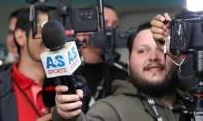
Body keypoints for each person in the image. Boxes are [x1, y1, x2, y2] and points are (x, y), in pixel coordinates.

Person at [54, 23, 187, 121]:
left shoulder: (194, 101)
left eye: (161, 49)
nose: (153, 57)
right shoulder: (111, 110)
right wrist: (66, 117)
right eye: (142, 50)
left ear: (177, 58)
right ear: (128, 65)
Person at [0, 6, 55, 121]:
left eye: (59, 31)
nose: (53, 37)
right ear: (20, 36)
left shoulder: (74, 86)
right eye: (45, 30)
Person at [75, 5, 128, 100]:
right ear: (82, 30)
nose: (110, 30)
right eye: (104, 23)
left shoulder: (123, 72)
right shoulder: (70, 72)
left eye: (115, 25)